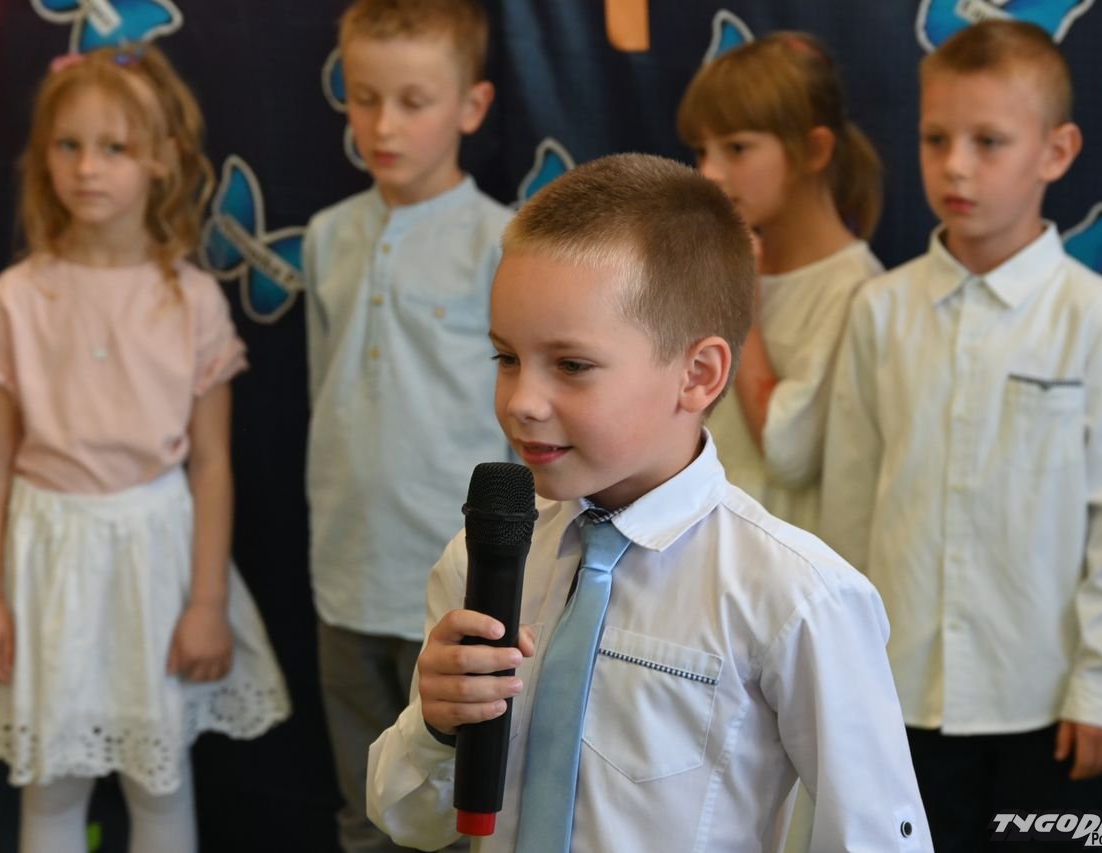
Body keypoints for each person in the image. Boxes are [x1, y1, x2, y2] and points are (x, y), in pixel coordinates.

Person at [367, 153, 931, 852]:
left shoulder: (796, 598)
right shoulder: (486, 558)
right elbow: (409, 819)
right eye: (506, 358)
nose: (522, 402)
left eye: (572, 365)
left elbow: (876, 837)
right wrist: (435, 725)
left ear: (698, 374)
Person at [820, 20, 1102, 852]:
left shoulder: (1098, 319)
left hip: (1044, 703)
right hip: (897, 695)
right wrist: (842, 674)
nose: (956, 166)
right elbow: (848, 508)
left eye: (989, 141)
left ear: (1056, 151)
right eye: (936, 139)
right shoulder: (879, 311)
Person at [0, 44, 290, 853]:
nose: (87, 168)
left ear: (161, 158)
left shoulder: (192, 301)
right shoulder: (17, 297)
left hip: (155, 560)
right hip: (46, 558)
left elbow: (211, 464)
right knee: (52, 785)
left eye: (114, 147)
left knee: (159, 780)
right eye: (68, 145)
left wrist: (206, 602)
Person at [301, 1, 511, 849]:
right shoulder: (328, 237)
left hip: (457, 582)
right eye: (364, 98)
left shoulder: (503, 243)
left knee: (464, 812)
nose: (383, 125)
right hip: (345, 574)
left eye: (413, 101)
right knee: (365, 808)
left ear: (471, 105)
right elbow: (326, 392)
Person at [677, 32, 883, 535]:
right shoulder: (722, 264)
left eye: (737, 148)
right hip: (697, 545)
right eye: (702, 150)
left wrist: (743, 314)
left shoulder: (856, 289)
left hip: (775, 561)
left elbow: (788, 454)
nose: (709, 173)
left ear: (814, 150)